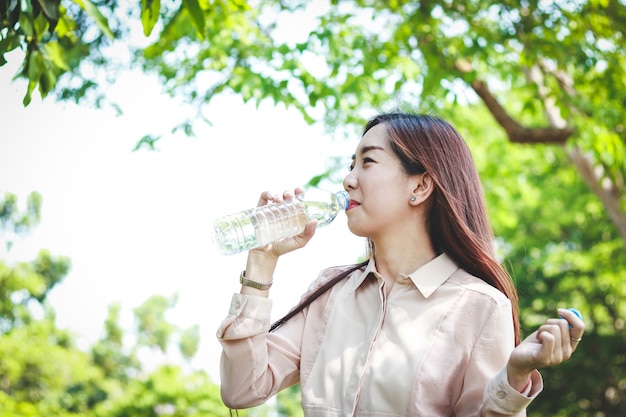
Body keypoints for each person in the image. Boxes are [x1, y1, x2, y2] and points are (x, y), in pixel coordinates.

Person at [217, 112, 585, 416]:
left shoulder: (481, 307)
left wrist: (515, 375)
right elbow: (242, 389)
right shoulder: (329, 293)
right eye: (350, 165)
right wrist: (262, 261)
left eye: (368, 161)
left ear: (421, 187)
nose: (347, 180)